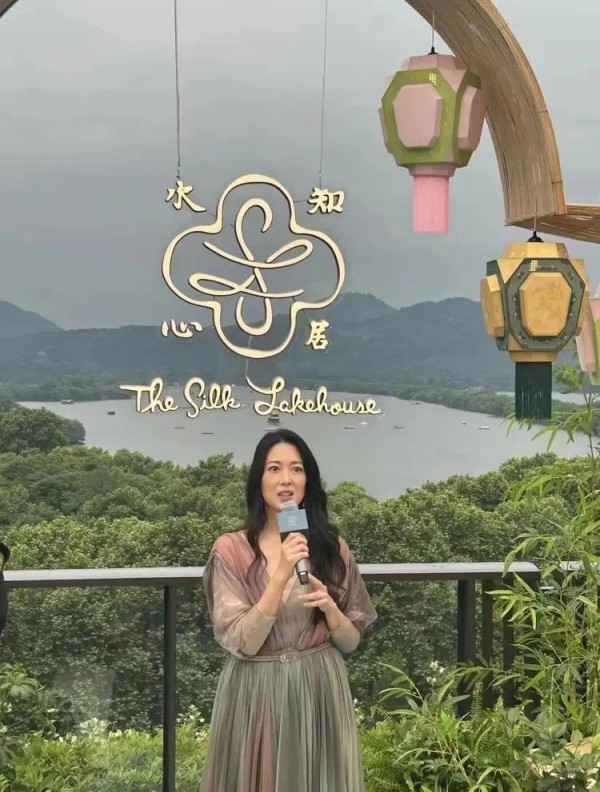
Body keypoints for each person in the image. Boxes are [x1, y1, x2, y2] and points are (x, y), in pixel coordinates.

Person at [200, 428, 376, 792]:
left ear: (308, 481)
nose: (286, 480)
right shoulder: (230, 550)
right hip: (256, 693)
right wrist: (280, 574)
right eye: (274, 469)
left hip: (320, 688)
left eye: (296, 469)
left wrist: (331, 609)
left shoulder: (331, 548)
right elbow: (243, 641)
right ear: (258, 480)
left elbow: (350, 641)